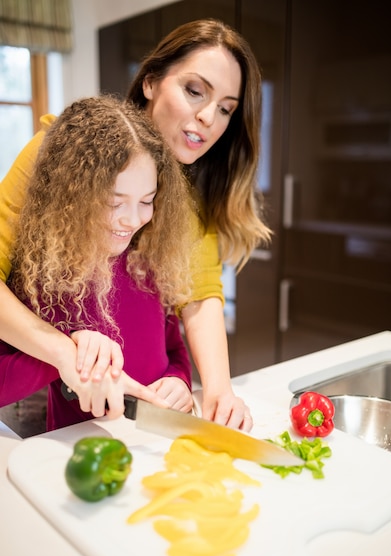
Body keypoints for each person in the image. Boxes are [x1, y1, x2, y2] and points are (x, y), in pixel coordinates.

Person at [0, 18, 271, 431]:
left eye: (225, 109)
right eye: (195, 91)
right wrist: (64, 352)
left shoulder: (189, 197)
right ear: (149, 81)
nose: (208, 118)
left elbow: (198, 294)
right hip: (47, 411)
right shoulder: (54, 157)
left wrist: (216, 391)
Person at [0, 95, 193, 430]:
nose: (132, 220)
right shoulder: (43, 278)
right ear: (73, 196)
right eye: (113, 202)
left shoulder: (146, 263)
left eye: (147, 201)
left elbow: (174, 348)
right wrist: (67, 354)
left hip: (153, 444)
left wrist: (180, 381)